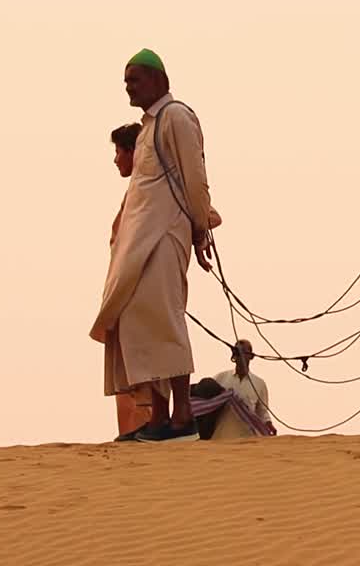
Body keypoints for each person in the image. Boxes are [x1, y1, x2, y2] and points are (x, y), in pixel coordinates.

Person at [90, 48, 219, 443]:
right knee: (139, 324)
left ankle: (182, 418)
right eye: (125, 81)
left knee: (164, 323)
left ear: (159, 81)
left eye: (135, 80)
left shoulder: (176, 116)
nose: (128, 87)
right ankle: (159, 417)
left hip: (164, 238)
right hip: (140, 245)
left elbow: (195, 178)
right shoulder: (148, 127)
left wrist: (200, 229)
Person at [105, 122, 153, 439]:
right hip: (125, 288)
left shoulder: (150, 189)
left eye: (118, 152)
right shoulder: (136, 191)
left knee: (141, 363)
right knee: (126, 365)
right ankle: (132, 434)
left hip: (140, 288)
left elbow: (207, 214)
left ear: (132, 152)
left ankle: (144, 431)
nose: (115, 160)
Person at [190, 339, 275, 439]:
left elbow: (262, 411)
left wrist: (269, 424)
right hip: (221, 436)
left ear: (251, 356)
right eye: (237, 352)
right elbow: (207, 400)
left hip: (247, 438)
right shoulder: (221, 378)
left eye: (243, 352)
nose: (239, 355)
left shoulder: (259, 383)